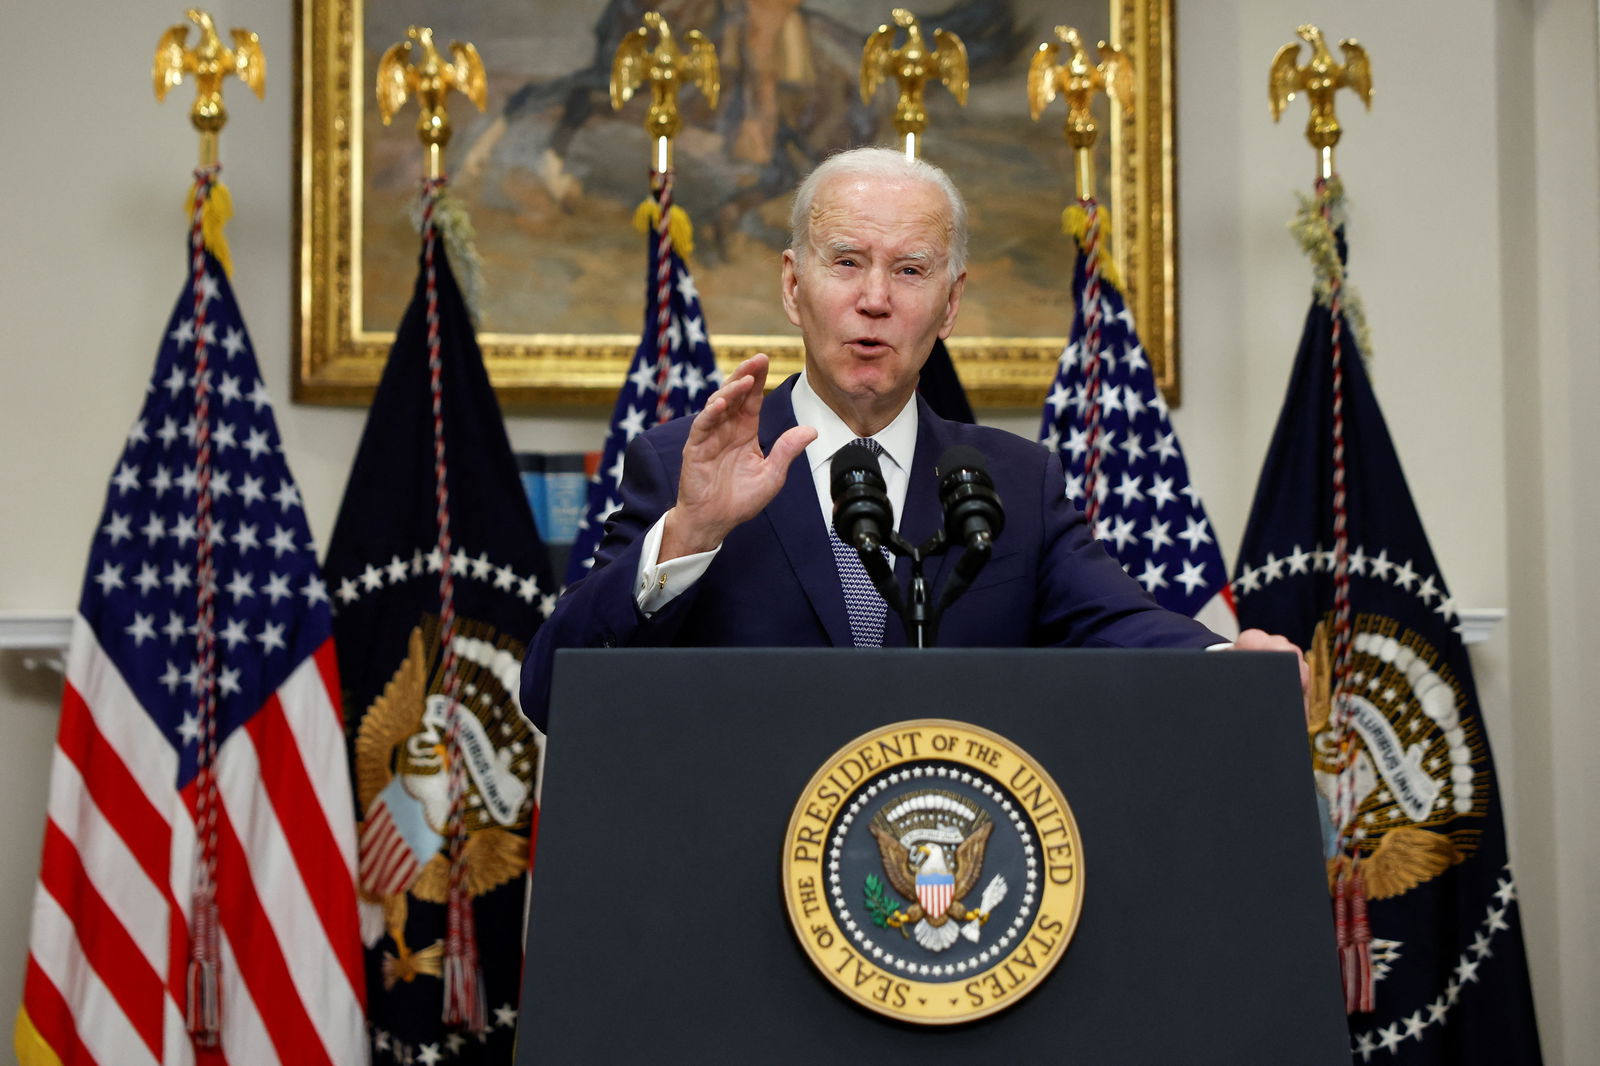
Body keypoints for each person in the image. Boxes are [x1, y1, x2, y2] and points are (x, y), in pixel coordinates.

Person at [520, 147, 1305, 729]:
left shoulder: (1014, 483)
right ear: (793, 285)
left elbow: (1123, 624)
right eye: (847, 262)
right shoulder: (684, 467)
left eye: (909, 270)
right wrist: (690, 534)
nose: (874, 299)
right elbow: (555, 693)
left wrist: (1230, 667)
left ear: (950, 303)